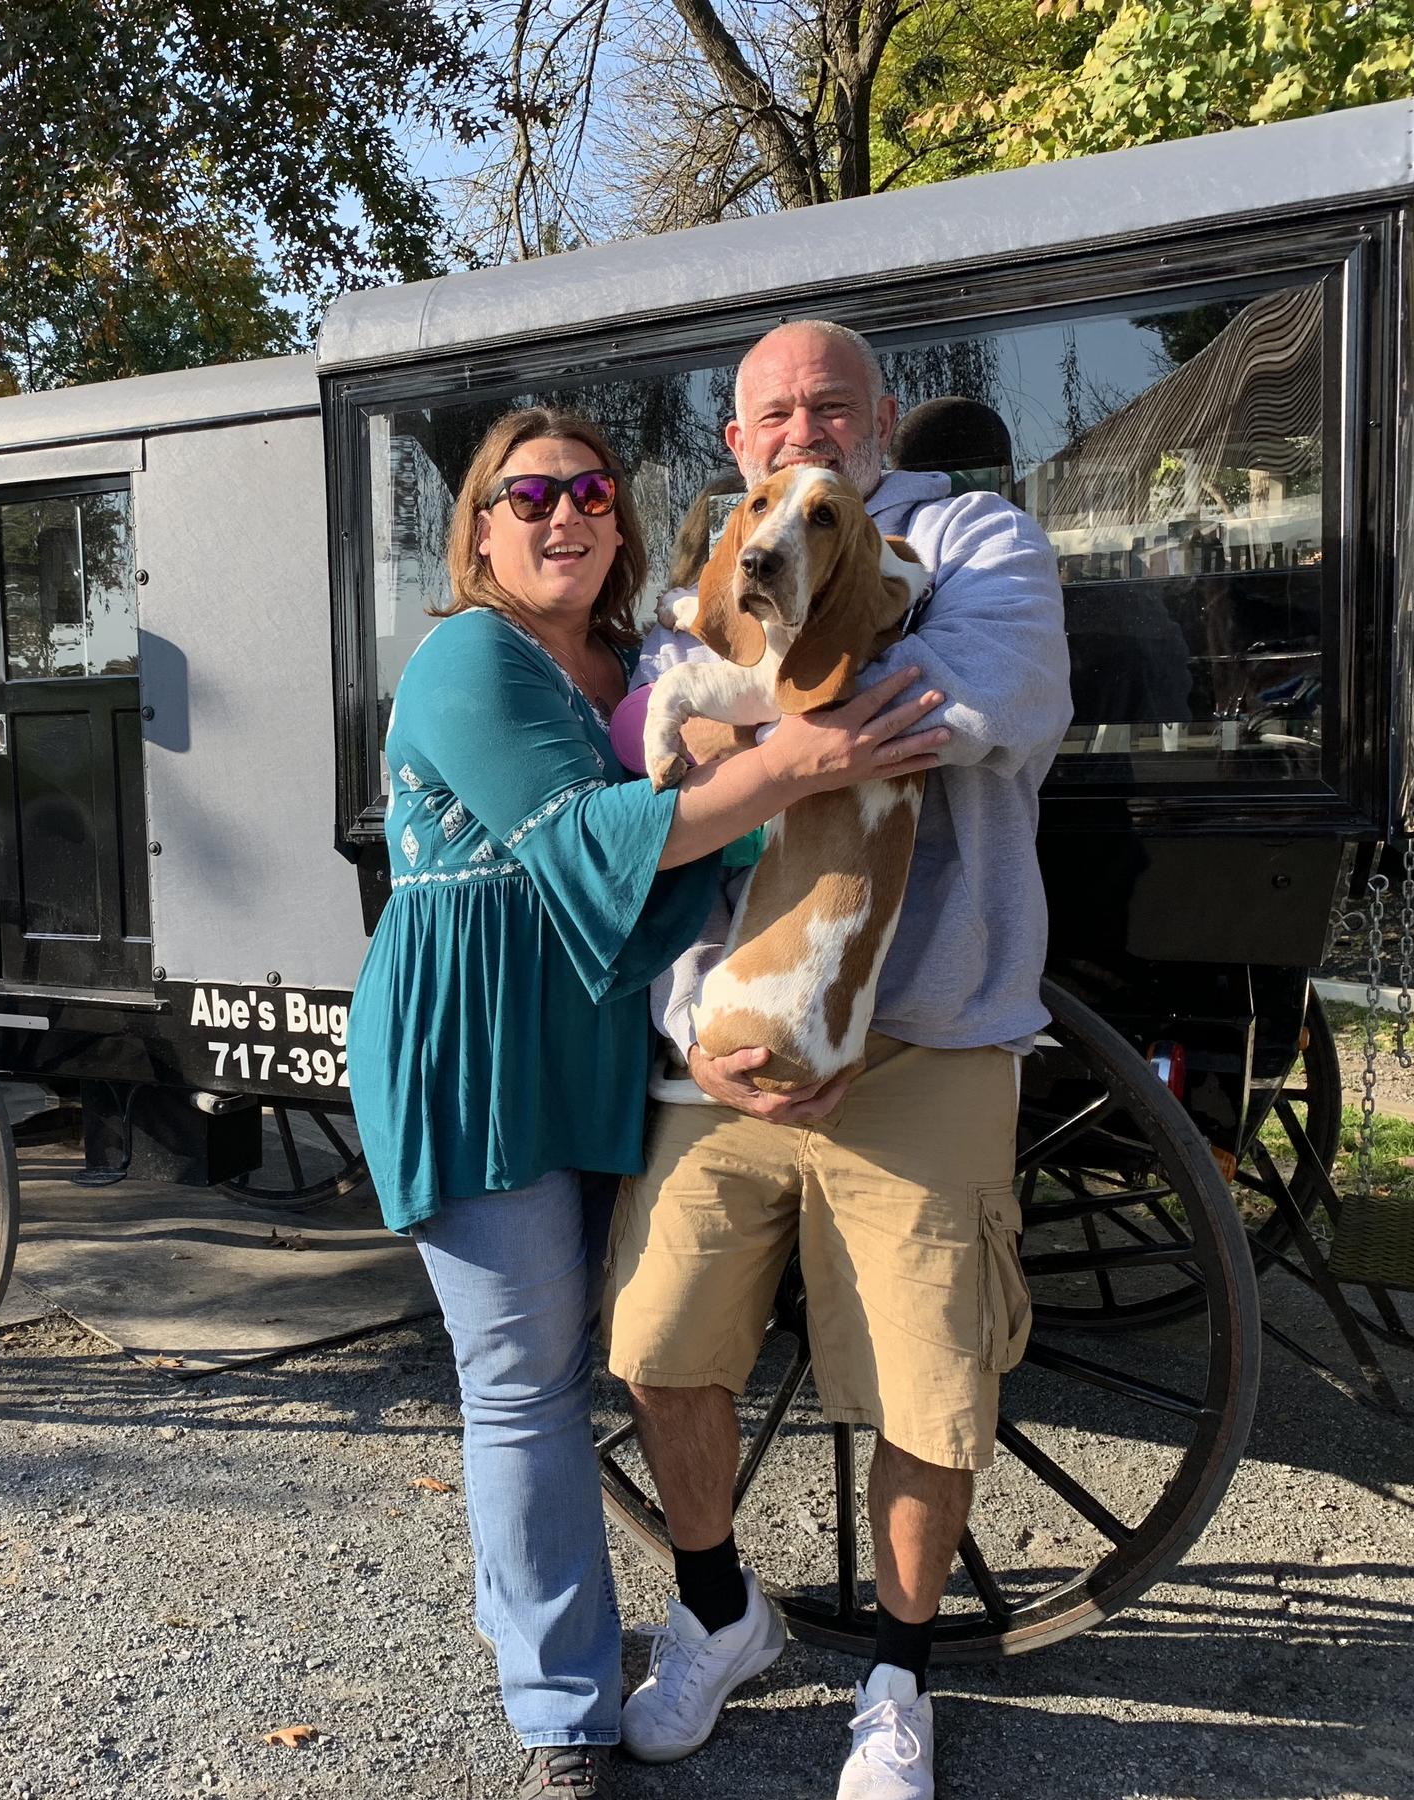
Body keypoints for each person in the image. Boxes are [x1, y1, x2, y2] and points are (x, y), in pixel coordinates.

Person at [346, 405, 950, 1799]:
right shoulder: (466, 662)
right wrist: (793, 764)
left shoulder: (633, 665)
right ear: (482, 529)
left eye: (593, 490)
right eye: (531, 493)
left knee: (591, 1363)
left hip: (605, 1033)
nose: (566, 513)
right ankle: (562, 1710)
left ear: (620, 521)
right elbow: (594, 843)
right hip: (477, 1046)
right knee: (523, 1387)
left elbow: (690, 871)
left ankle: (629, 1617)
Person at [603, 322, 1073, 1799]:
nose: (801, 431)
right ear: (737, 445)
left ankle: (896, 1679)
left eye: (829, 405)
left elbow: (938, 706)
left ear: (877, 423)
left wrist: (737, 700)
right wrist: (692, 1021)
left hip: (925, 1038)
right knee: (662, 1342)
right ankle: (717, 1612)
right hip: (727, 1050)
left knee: (929, 1383)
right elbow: (667, 829)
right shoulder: (724, 556)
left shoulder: (980, 538)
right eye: (770, 416)